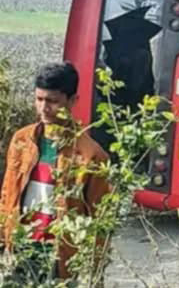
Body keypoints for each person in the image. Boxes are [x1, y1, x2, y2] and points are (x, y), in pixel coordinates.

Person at [0, 62, 111, 282]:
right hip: (22, 243)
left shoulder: (90, 155)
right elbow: (8, 194)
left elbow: (99, 219)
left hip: (60, 255)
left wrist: (94, 269)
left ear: (72, 101)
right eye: (39, 99)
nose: (43, 108)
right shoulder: (22, 140)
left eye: (52, 101)